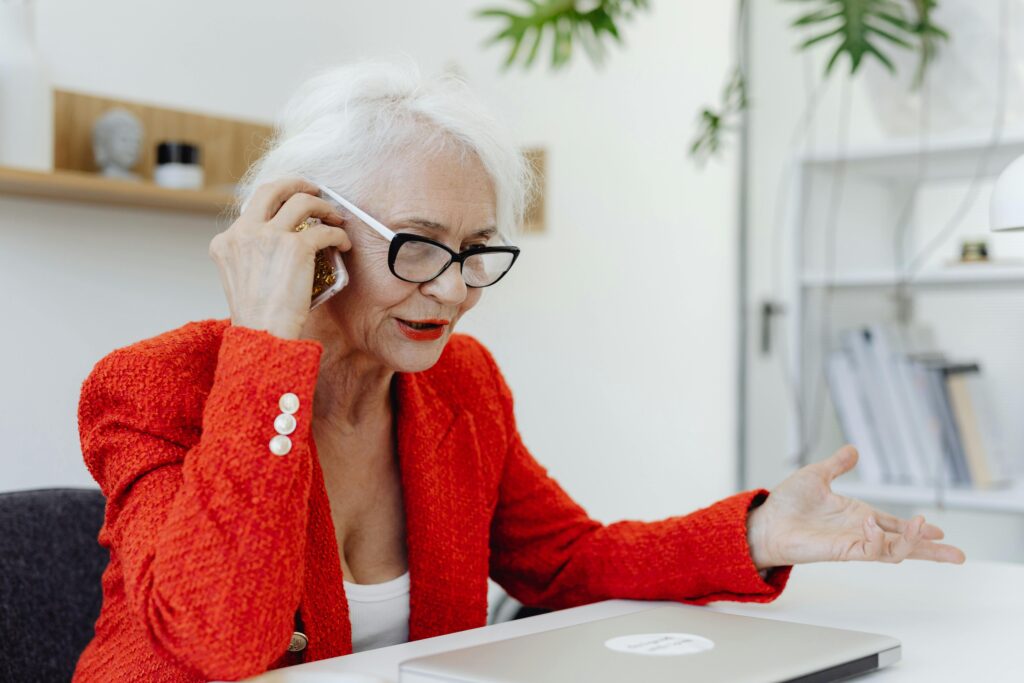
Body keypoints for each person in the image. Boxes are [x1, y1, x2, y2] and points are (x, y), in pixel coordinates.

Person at [72, 61, 965, 683]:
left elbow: (567, 562)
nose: (457, 290)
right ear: (312, 227)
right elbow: (219, 641)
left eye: (477, 251)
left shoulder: (461, 383)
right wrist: (267, 349)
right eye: (421, 247)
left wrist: (762, 531)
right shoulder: (154, 387)